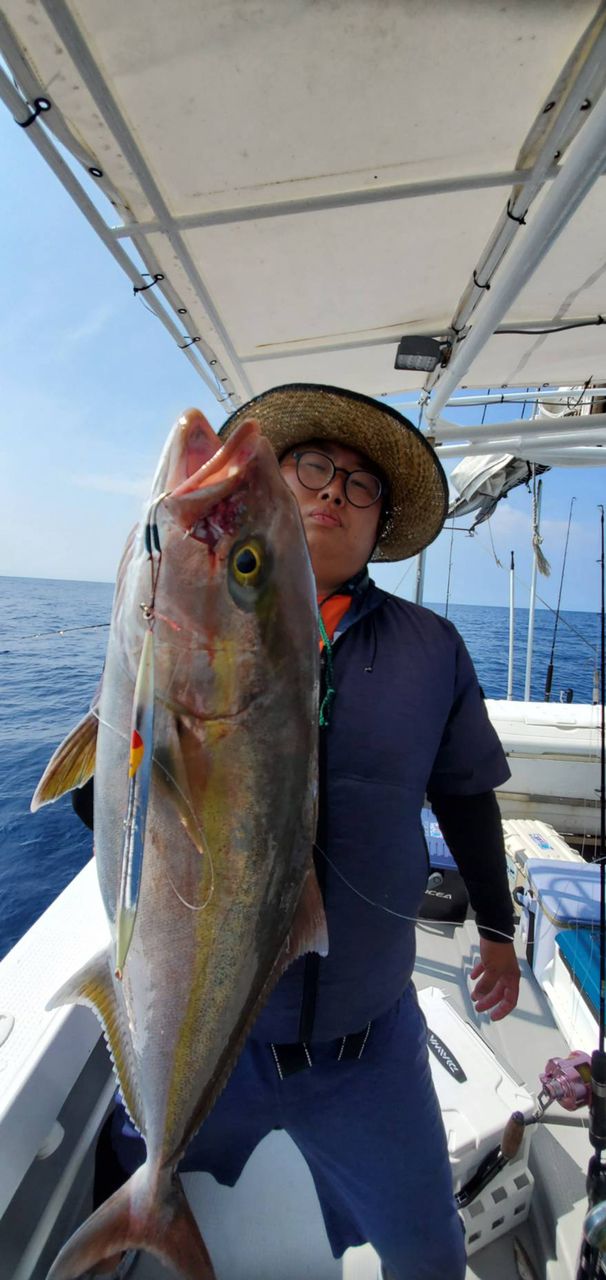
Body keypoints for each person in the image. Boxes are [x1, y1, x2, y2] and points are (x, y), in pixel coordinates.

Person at [79, 383, 520, 1280]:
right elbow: (112, 811)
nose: (332, 493)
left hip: (371, 1049)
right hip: (218, 1048)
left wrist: (502, 931)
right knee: (113, 1190)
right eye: (314, 467)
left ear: (380, 524)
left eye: (361, 486)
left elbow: (469, 796)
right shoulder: (181, 618)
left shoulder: (431, 648)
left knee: (430, 1255)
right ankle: (142, 1207)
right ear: (281, 490)